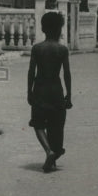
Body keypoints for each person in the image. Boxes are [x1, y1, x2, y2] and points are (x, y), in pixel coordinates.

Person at [28, 10, 72, 172]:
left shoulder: (37, 49)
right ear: (60, 30)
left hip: (40, 89)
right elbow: (66, 74)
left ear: (43, 29)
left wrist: (29, 92)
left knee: (38, 124)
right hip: (56, 90)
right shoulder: (62, 50)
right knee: (56, 125)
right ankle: (53, 155)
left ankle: (49, 151)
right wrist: (69, 95)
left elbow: (31, 72)